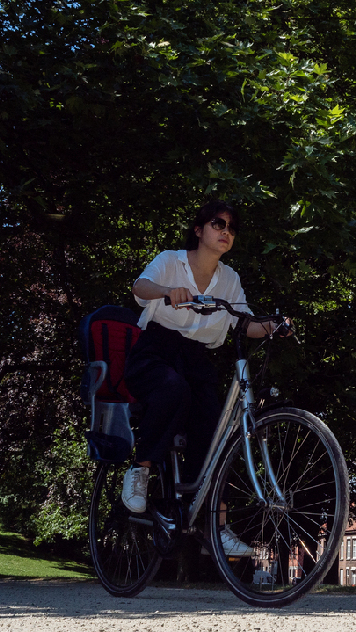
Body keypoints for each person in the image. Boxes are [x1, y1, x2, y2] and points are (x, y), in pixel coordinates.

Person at [121, 200, 285, 556]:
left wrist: (273, 326)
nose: (226, 231)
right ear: (199, 230)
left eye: (231, 228)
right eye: (218, 224)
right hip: (156, 351)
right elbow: (140, 287)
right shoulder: (171, 261)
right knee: (171, 389)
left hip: (198, 360)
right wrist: (167, 292)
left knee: (216, 432)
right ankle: (140, 469)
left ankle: (215, 526)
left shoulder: (230, 280)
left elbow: (245, 323)